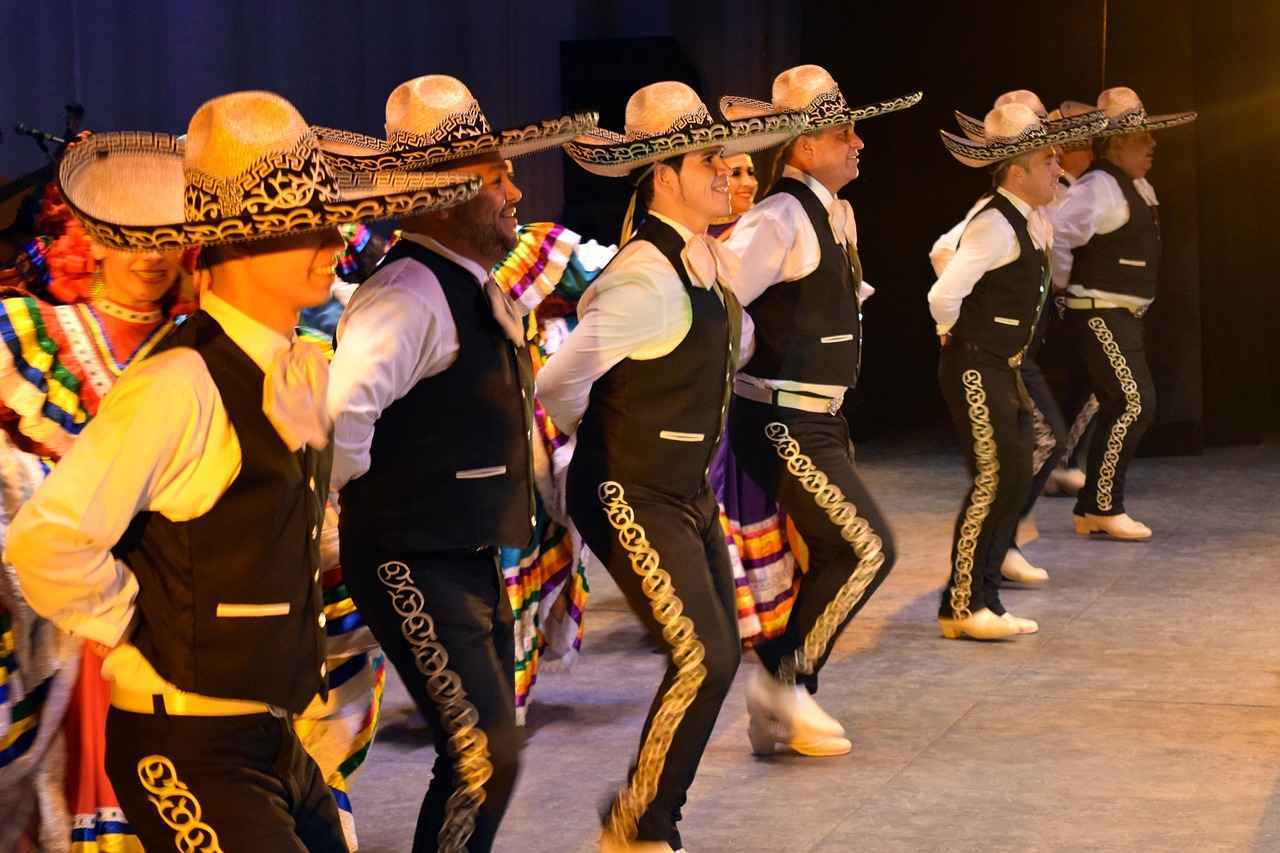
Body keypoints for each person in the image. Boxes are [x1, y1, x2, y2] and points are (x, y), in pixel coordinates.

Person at [6, 89, 480, 851]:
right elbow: (45, 541)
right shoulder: (178, 384)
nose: (334, 241)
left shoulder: (299, 368)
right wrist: (137, 624)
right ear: (238, 245)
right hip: (186, 748)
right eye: (305, 227)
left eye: (329, 219)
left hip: (271, 736)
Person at [326, 74, 595, 852]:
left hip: (456, 552)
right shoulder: (410, 291)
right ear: (444, 198)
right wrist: (367, 502)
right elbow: (343, 411)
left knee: (486, 754)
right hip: (411, 555)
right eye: (497, 176)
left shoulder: (463, 284)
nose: (516, 190)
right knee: (485, 756)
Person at [544, 80, 801, 851]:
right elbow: (557, 384)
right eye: (709, 162)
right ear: (664, 174)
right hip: (627, 487)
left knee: (720, 655)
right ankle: (638, 823)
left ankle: (647, 817)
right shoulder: (642, 275)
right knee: (705, 653)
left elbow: (734, 342)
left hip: (682, 489)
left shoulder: (710, 260)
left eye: (726, 161)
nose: (728, 174)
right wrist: (602, 445)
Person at [718, 64, 919, 755]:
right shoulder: (778, 217)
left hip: (815, 416)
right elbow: (718, 300)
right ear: (804, 146)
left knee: (838, 549)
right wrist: (742, 361)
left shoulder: (836, 211)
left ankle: (782, 697)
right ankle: (784, 682)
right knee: (865, 546)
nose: (859, 142)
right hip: (779, 419)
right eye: (844, 131)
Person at [0, 182, 187, 852]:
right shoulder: (36, 339)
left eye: (167, 237)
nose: (151, 256)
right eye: (129, 236)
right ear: (88, 239)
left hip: (189, 608)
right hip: (78, 617)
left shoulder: (199, 341)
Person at [929, 102, 1104, 640]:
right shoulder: (994, 223)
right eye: (1048, 161)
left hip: (1002, 367)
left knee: (1014, 478)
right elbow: (943, 289)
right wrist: (953, 334)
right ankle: (962, 606)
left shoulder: (1027, 218)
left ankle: (985, 598)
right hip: (977, 367)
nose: (1058, 169)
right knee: (993, 481)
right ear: (1017, 169)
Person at [1049, 87, 1197, 540]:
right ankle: (1100, 505)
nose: (1152, 145)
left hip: (1121, 314)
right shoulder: (1099, 187)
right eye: (1141, 138)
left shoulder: (1135, 185)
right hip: (1098, 312)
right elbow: (1057, 237)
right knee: (1132, 402)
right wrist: (1063, 288)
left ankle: (1096, 504)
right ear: (1114, 144)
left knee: (1123, 402)